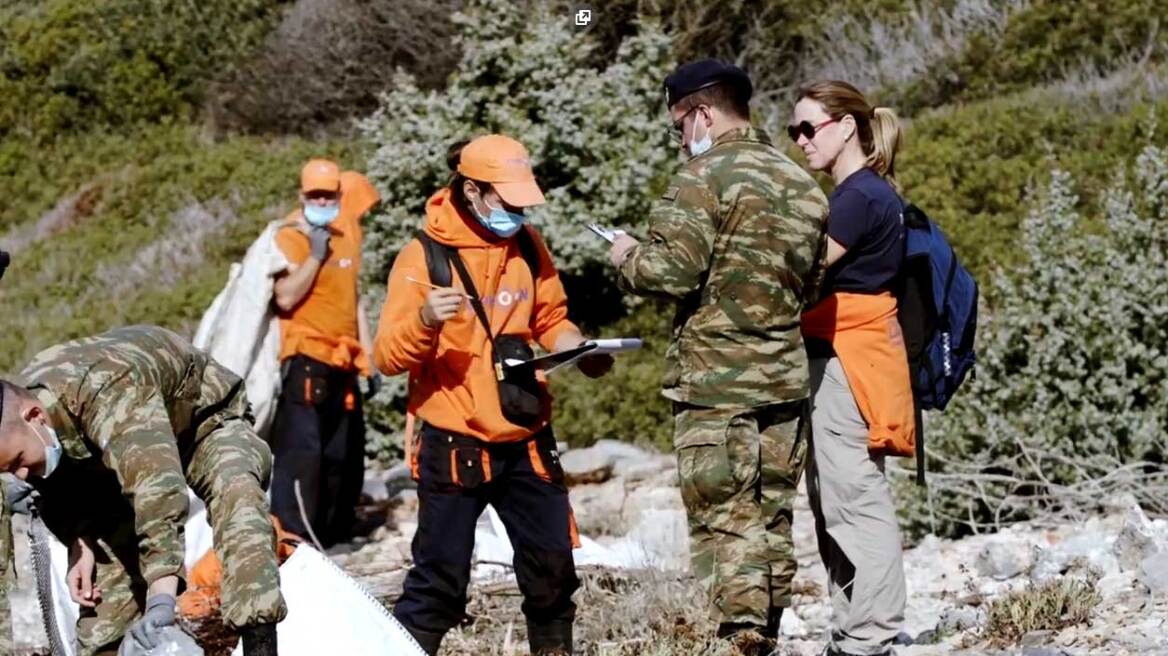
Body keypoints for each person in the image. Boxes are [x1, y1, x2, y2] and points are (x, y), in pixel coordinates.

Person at [608, 59, 828, 652]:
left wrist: (627, 254)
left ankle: (742, 638)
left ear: (702, 112)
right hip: (782, 380)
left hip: (714, 386)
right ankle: (768, 631)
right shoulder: (801, 182)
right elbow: (811, 287)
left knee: (724, 516)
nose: (680, 137)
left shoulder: (702, 177)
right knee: (771, 516)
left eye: (679, 124)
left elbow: (668, 271)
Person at [375, 135, 612, 656]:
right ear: (472, 190)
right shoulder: (423, 257)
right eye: (509, 202)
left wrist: (580, 350)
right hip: (454, 442)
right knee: (439, 585)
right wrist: (423, 320)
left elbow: (551, 319)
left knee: (553, 577)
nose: (520, 213)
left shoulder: (527, 245)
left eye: (525, 202)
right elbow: (388, 358)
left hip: (526, 434)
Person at [0, 325, 286, 656]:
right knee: (104, 602)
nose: (20, 474)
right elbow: (63, 484)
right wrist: (80, 542)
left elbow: (157, 492)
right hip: (114, 460)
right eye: (8, 470)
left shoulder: (107, 390)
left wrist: (162, 598)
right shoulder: (32, 413)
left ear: (35, 416)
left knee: (240, 502)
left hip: (204, 425)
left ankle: (260, 644)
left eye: (19, 460)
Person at [788, 80, 913, 656]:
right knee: (832, 497)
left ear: (845, 127)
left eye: (808, 128)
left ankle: (869, 636)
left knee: (853, 499)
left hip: (847, 361)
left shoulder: (858, 198)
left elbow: (803, 271)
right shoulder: (864, 194)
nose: (799, 141)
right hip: (843, 358)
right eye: (793, 131)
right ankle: (854, 629)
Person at [269, 160, 382, 548]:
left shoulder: (346, 227)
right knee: (302, 453)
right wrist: (315, 255)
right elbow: (285, 297)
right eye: (313, 195)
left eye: (328, 195)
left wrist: (369, 356)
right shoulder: (291, 235)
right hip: (306, 355)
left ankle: (335, 534)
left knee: (342, 453)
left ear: (339, 195)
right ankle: (295, 540)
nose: (321, 200)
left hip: (344, 358)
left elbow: (354, 300)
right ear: (302, 196)